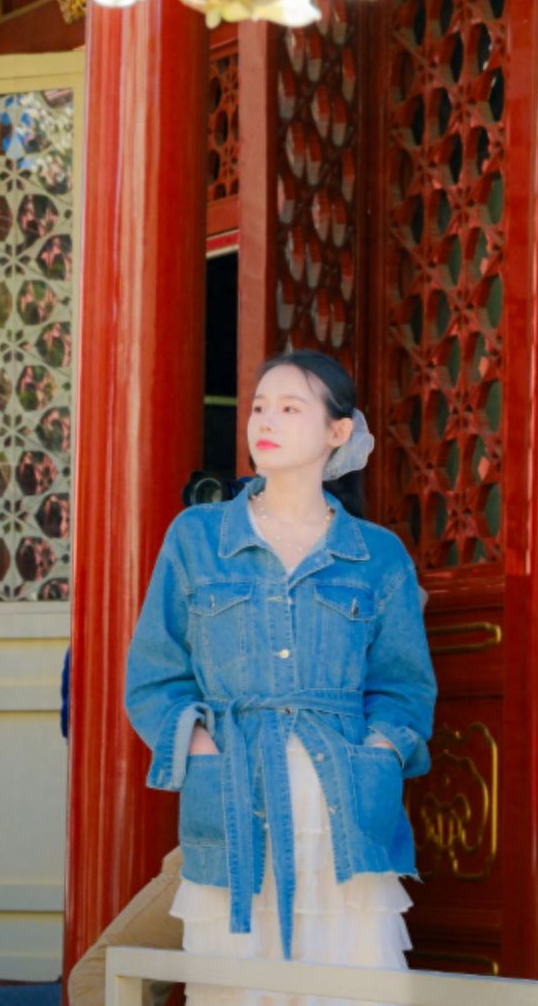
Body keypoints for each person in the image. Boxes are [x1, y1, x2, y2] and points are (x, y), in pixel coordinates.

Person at [124, 351, 436, 1006]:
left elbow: (405, 688)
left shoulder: (377, 554)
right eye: (260, 405)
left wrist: (377, 754)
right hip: (234, 800)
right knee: (235, 985)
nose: (265, 420)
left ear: (338, 431)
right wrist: (203, 745)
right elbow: (155, 674)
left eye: (290, 407)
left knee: (348, 989)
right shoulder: (197, 537)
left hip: (343, 811)